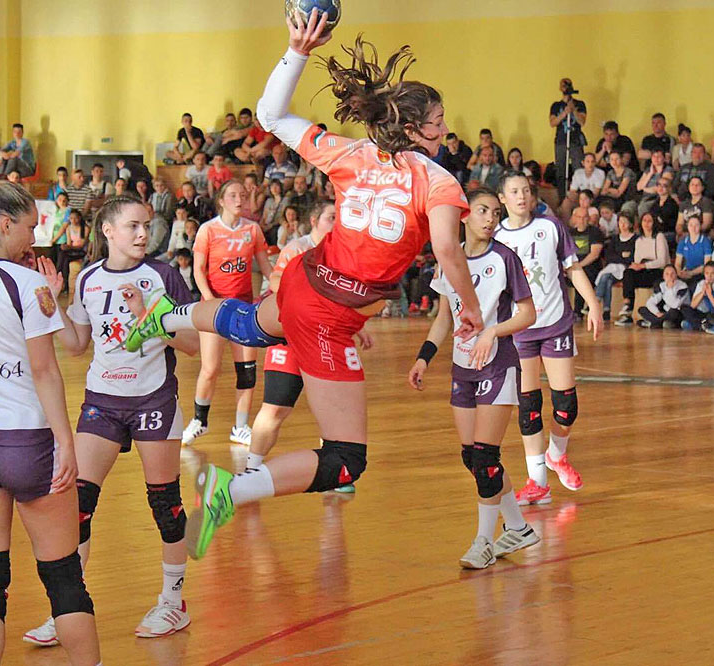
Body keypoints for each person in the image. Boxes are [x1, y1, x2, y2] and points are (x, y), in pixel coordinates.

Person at [122, 13, 482, 559]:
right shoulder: (437, 181)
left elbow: (269, 115)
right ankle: (228, 491)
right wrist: (470, 309)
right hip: (328, 316)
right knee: (345, 459)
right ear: (412, 129)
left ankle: (164, 316)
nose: (444, 129)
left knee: (251, 325)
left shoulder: (351, 154)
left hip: (302, 281)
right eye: (437, 121)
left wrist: (296, 49)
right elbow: (449, 252)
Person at [0, 175, 100, 664]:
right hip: (27, 445)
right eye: (29, 227)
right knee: (64, 577)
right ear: (5, 224)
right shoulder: (27, 284)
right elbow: (46, 372)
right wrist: (66, 444)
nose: (34, 238)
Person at [23, 195, 199, 647]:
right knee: (76, 505)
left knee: (165, 504)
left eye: (146, 226)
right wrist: (52, 300)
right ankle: (68, 608)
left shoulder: (163, 276)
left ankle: (173, 602)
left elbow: (194, 344)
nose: (143, 234)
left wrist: (148, 316)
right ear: (108, 231)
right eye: (133, 226)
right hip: (103, 400)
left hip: (153, 398)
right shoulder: (87, 278)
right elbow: (76, 344)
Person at [408, 188, 538, 569]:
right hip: (462, 367)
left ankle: (483, 541)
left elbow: (527, 314)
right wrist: (423, 358)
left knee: (485, 456)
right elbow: (443, 318)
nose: (490, 219)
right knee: (473, 457)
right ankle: (518, 526)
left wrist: (492, 331)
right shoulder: (449, 260)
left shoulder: (505, 258)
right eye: (483, 210)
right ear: (464, 215)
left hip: (498, 364)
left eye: (496, 213)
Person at [495, 170, 603, 504]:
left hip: (555, 323)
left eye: (526, 190)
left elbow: (573, 269)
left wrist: (593, 305)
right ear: (503, 198)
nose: (521, 196)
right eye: (514, 191)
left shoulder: (551, 227)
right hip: (518, 330)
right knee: (529, 406)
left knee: (566, 406)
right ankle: (537, 481)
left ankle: (556, 454)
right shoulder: (496, 237)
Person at [248, 201, 360, 488]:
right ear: (314, 221)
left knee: (332, 409)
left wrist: (359, 328)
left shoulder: (344, 254)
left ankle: (335, 473)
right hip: (291, 336)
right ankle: (251, 468)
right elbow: (275, 280)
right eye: (331, 217)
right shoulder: (298, 247)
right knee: (275, 407)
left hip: (325, 341)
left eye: (340, 218)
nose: (337, 223)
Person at [180, 180, 272, 448]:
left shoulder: (252, 229)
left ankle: (240, 427)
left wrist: (282, 287)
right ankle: (199, 421)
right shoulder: (208, 230)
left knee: (247, 371)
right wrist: (210, 302)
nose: (239, 199)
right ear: (221, 201)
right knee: (210, 369)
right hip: (216, 307)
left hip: (244, 309)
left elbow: (266, 267)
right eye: (232, 195)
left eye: (243, 195)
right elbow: (198, 270)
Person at [616, 211, 669, 326]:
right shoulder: (639, 240)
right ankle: (628, 307)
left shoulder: (659, 237)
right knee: (628, 273)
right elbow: (637, 260)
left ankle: (658, 315)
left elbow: (662, 261)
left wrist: (644, 265)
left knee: (657, 282)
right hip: (644, 269)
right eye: (644, 220)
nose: (646, 223)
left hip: (657, 270)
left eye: (649, 221)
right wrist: (636, 266)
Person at [594, 212, 637, 320]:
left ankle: (596, 301)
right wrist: (622, 256)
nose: (622, 224)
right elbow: (609, 256)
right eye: (620, 222)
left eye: (625, 222)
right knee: (607, 280)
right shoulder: (615, 239)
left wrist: (620, 257)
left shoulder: (635, 239)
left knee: (606, 277)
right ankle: (606, 310)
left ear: (631, 224)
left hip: (626, 269)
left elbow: (632, 257)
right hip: (613, 267)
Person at [549, 78, 587, 195]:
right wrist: (565, 113)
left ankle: (580, 197)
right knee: (560, 170)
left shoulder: (580, 104)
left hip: (575, 141)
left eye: (567, 85)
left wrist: (573, 110)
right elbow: (552, 123)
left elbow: (582, 122)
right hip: (561, 141)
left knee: (578, 170)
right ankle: (562, 197)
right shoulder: (556, 106)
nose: (565, 87)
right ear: (560, 88)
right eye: (563, 85)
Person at [569, 199, 604, 316]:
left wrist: (578, 265)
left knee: (581, 274)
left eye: (585, 217)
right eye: (579, 217)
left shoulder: (595, 232)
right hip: (573, 266)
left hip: (590, 266)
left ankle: (577, 311)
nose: (582, 220)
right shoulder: (570, 233)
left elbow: (594, 254)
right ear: (574, 218)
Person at [637, 264, 689, 329]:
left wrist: (670, 289)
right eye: (667, 274)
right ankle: (660, 322)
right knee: (642, 309)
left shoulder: (682, 286)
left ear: (676, 275)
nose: (670, 276)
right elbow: (650, 302)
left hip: (678, 312)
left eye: (672, 274)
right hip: (666, 312)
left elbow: (675, 305)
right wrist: (657, 313)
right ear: (663, 276)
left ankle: (654, 323)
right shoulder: (662, 285)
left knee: (674, 312)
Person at [680, 261, 714, 331]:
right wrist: (702, 292)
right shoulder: (701, 283)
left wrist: (710, 294)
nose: (709, 276)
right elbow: (693, 305)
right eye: (707, 273)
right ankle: (702, 325)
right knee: (684, 308)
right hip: (702, 313)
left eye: (712, 273)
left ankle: (695, 324)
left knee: (713, 317)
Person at [675, 214, 713, 289]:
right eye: (691, 225)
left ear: (700, 226)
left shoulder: (706, 242)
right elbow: (677, 263)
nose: (693, 227)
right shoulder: (683, 242)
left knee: (693, 286)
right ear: (687, 226)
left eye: (696, 225)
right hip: (685, 272)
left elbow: (707, 265)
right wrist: (680, 273)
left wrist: (691, 273)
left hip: (700, 274)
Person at [562, 152, 604, 220]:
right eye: (588, 161)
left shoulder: (600, 173)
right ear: (583, 163)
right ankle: (567, 224)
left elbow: (596, 193)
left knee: (586, 201)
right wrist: (580, 199)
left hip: (593, 198)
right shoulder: (578, 173)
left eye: (592, 162)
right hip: (581, 197)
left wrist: (584, 199)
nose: (590, 164)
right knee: (566, 202)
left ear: (595, 163)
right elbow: (573, 191)